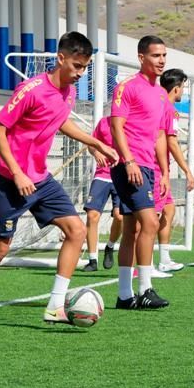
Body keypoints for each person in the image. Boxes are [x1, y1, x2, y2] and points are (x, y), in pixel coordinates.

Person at [0, 32, 117, 332]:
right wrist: (18, 172)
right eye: (76, 65)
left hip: (40, 179)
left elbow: (61, 121)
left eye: (84, 67)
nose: (79, 73)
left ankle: (55, 306)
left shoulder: (69, 92)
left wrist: (94, 143)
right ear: (60, 58)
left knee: (76, 230)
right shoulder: (30, 89)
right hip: (11, 179)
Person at [110, 35, 172, 309]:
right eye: (156, 56)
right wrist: (129, 160)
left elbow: (160, 135)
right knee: (150, 224)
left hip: (148, 167)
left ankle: (125, 295)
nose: (161, 61)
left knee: (133, 229)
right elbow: (116, 125)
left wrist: (165, 173)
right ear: (141, 57)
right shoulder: (127, 87)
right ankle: (145, 288)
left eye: (163, 56)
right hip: (129, 166)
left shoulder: (160, 94)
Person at [153, 68, 194, 274]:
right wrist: (187, 170)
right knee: (150, 218)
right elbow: (171, 141)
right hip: (154, 169)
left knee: (168, 210)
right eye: (183, 88)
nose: (184, 93)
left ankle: (164, 259)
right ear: (176, 88)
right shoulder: (168, 109)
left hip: (160, 168)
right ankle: (143, 267)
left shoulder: (161, 105)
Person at [82, 115, 123, 272]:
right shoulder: (103, 122)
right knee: (92, 215)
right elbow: (92, 144)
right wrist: (96, 153)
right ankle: (92, 260)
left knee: (120, 216)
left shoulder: (129, 122)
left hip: (121, 175)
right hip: (102, 175)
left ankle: (110, 247)